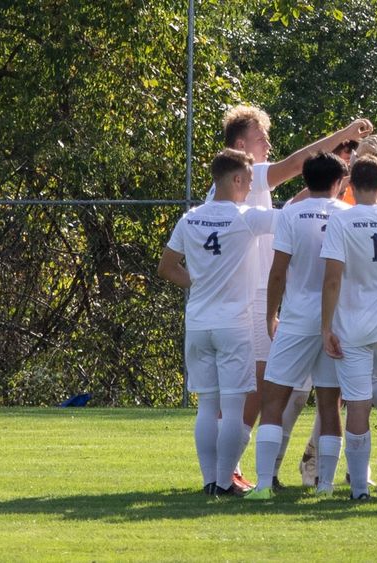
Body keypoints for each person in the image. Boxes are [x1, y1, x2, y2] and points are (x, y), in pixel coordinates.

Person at [208, 106, 373, 487]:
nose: (267, 143)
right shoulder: (248, 175)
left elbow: (304, 203)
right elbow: (298, 163)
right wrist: (342, 133)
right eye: (259, 137)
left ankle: (234, 471)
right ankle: (227, 469)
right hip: (248, 297)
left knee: (258, 390)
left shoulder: (247, 185)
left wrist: (328, 177)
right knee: (251, 390)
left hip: (257, 298)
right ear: (239, 146)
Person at [157, 149, 276, 496]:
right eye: (249, 182)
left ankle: (210, 480)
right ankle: (225, 481)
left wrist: (197, 282)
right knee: (234, 408)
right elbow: (293, 221)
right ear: (236, 179)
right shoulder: (245, 218)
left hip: (198, 323)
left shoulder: (190, 218)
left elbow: (166, 267)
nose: (251, 189)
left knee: (208, 406)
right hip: (233, 324)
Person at [244, 153, 351, 500]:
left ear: (306, 180)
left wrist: (269, 314)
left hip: (297, 318)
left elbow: (278, 270)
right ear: (339, 183)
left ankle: (262, 484)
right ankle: (325, 484)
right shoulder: (348, 215)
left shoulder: (290, 213)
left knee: (274, 399)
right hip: (335, 320)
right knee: (329, 404)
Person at [320, 155, 377, 500]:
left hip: (354, 324)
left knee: (356, 405)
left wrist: (325, 326)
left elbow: (331, 280)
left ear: (350, 186)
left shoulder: (342, 221)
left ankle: (359, 489)